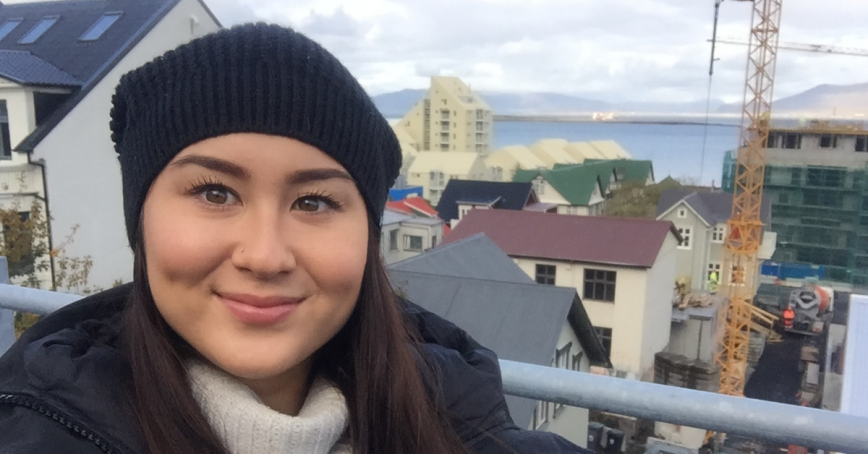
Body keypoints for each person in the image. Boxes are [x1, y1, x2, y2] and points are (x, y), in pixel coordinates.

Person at [0, 23, 588, 454]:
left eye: (314, 202)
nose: (264, 255)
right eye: (214, 193)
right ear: (142, 222)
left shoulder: (463, 426)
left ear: (367, 239)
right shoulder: (37, 432)